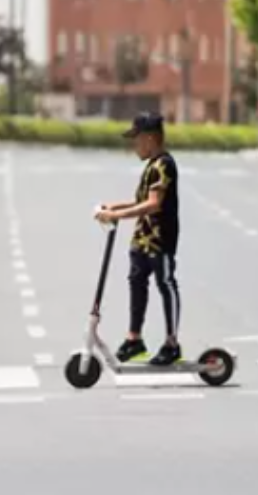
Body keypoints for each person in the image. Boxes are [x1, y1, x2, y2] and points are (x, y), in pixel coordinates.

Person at [94, 112, 182, 366]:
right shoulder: (151, 166)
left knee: (166, 285)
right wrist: (113, 207)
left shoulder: (164, 164)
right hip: (142, 240)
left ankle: (171, 343)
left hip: (159, 241)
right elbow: (140, 202)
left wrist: (117, 214)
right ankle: (134, 339)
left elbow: (154, 205)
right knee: (136, 282)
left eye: (137, 140)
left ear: (152, 138)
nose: (134, 146)